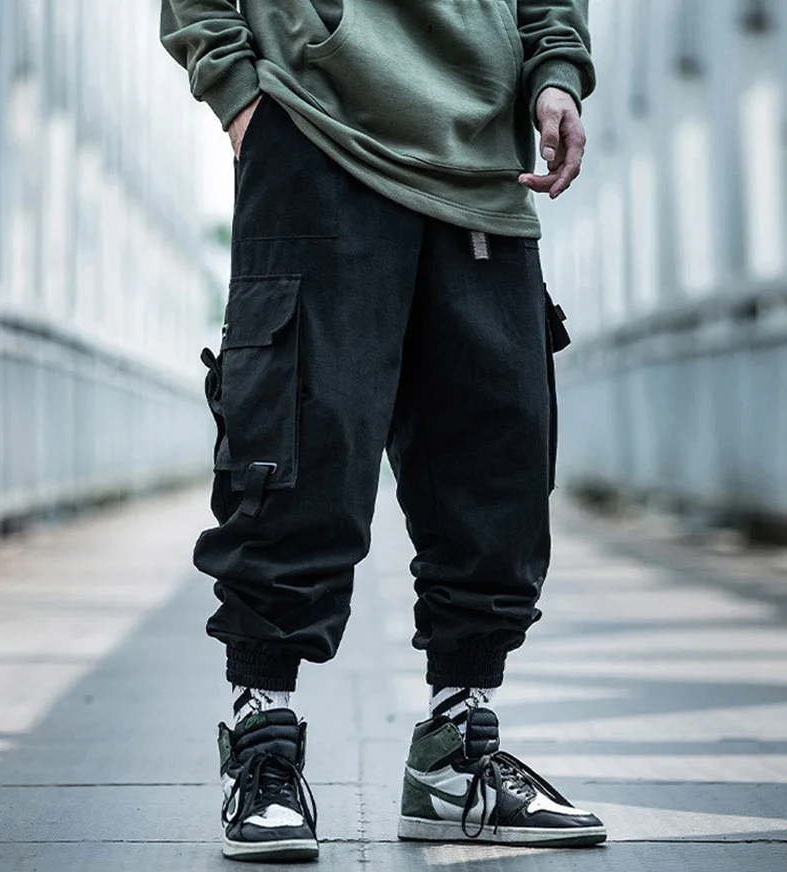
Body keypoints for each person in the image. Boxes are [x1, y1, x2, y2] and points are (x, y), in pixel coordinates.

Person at [161, 0, 604, 861]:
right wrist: (241, 95)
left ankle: (454, 755)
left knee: (497, 466)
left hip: (483, 162)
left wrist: (556, 73)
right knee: (298, 451)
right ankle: (263, 741)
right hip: (317, 132)